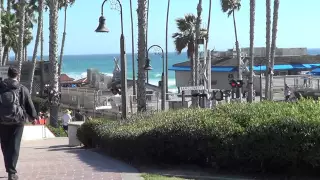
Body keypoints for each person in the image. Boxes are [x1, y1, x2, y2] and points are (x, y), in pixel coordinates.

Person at [0, 67, 37, 180]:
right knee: (14, 145)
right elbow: (29, 104)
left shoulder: (1, 87)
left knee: (5, 145)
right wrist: (33, 117)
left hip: (2, 120)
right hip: (17, 121)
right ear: (18, 75)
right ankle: (12, 172)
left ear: (8, 74)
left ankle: (9, 168)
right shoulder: (21, 88)